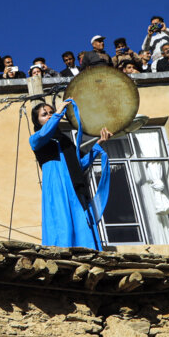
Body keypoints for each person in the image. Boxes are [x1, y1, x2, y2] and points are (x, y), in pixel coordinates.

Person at [29, 100, 111, 248]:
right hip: (57, 186)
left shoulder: (66, 141)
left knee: (80, 218)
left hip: (74, 187)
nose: (49, 116)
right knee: (61, 219)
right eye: (44, 114)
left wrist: (99, 145)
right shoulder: (36, 139)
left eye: (50, 113)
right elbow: (44, 134)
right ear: (37, 121)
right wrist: (58, 112)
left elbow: (79, 165)